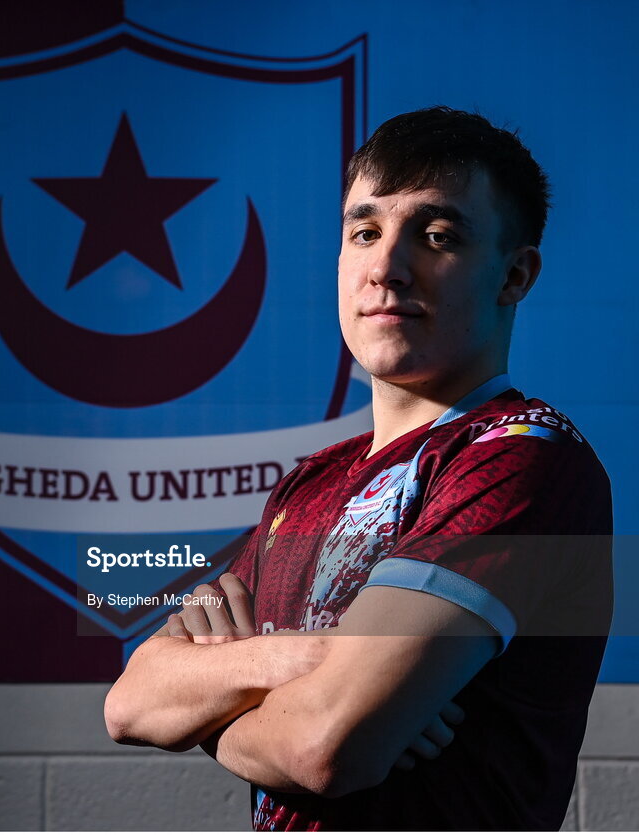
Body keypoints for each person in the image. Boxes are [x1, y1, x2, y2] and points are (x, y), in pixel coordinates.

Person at [104, 106, 613, 830]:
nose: (386, 266)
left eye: (437, 237)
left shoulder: (522, 455)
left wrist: (209, 711)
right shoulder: (311, 482)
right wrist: (309, 657)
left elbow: (324, 748)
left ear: (514, 274)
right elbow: (131, 701)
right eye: (365, 232)